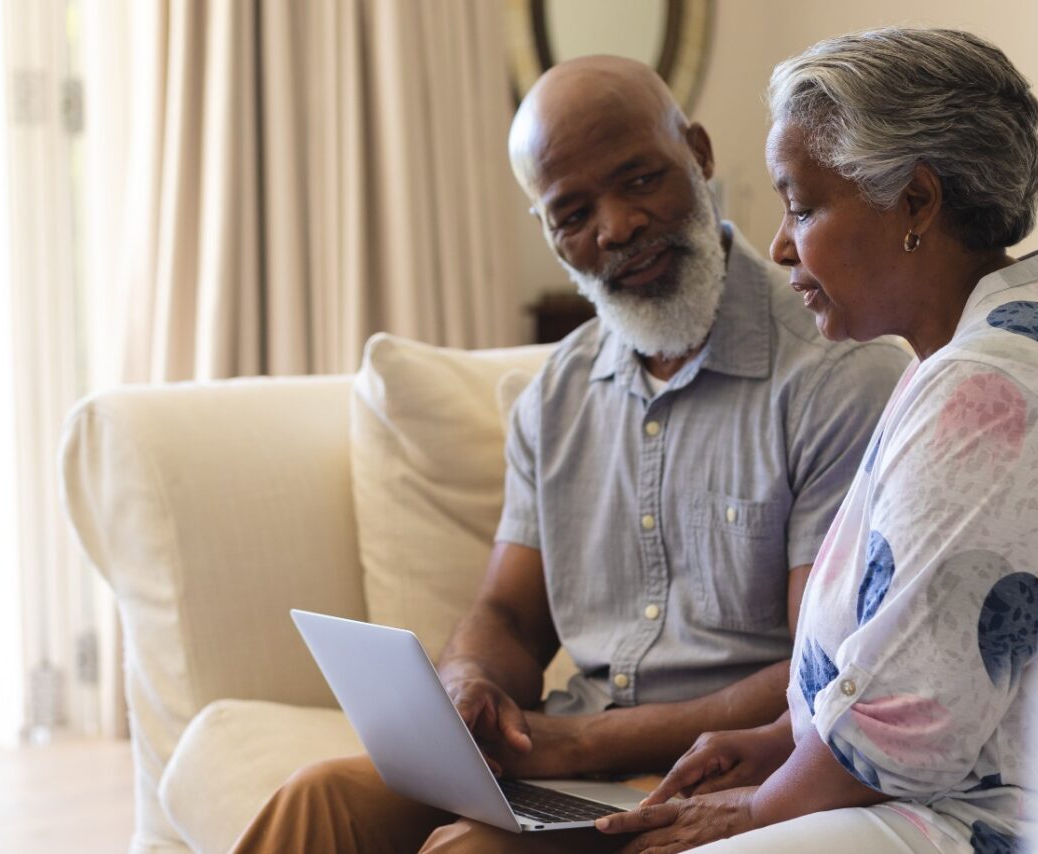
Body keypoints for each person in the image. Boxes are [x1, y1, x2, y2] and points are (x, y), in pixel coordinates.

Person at [230, 55, 909, 854]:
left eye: (640, 180)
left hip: (719, 775)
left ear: (699, 153)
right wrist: (469, 683)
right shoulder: (556, 394)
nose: (616, 227)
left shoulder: (838, 373)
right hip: (562, 767)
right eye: (572, 211)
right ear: (548, 230)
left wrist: (584, 745)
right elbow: (508, 616)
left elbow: (819, 667)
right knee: (315, 803)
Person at [593, 27, 1038, 853]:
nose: (781, 244)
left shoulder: (989, 392)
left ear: (916, 204)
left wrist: (754, 810)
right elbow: (918, 658)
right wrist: (781, 743)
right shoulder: (1003, 349)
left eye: (803, 205)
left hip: (982, 825)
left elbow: (905, 727)